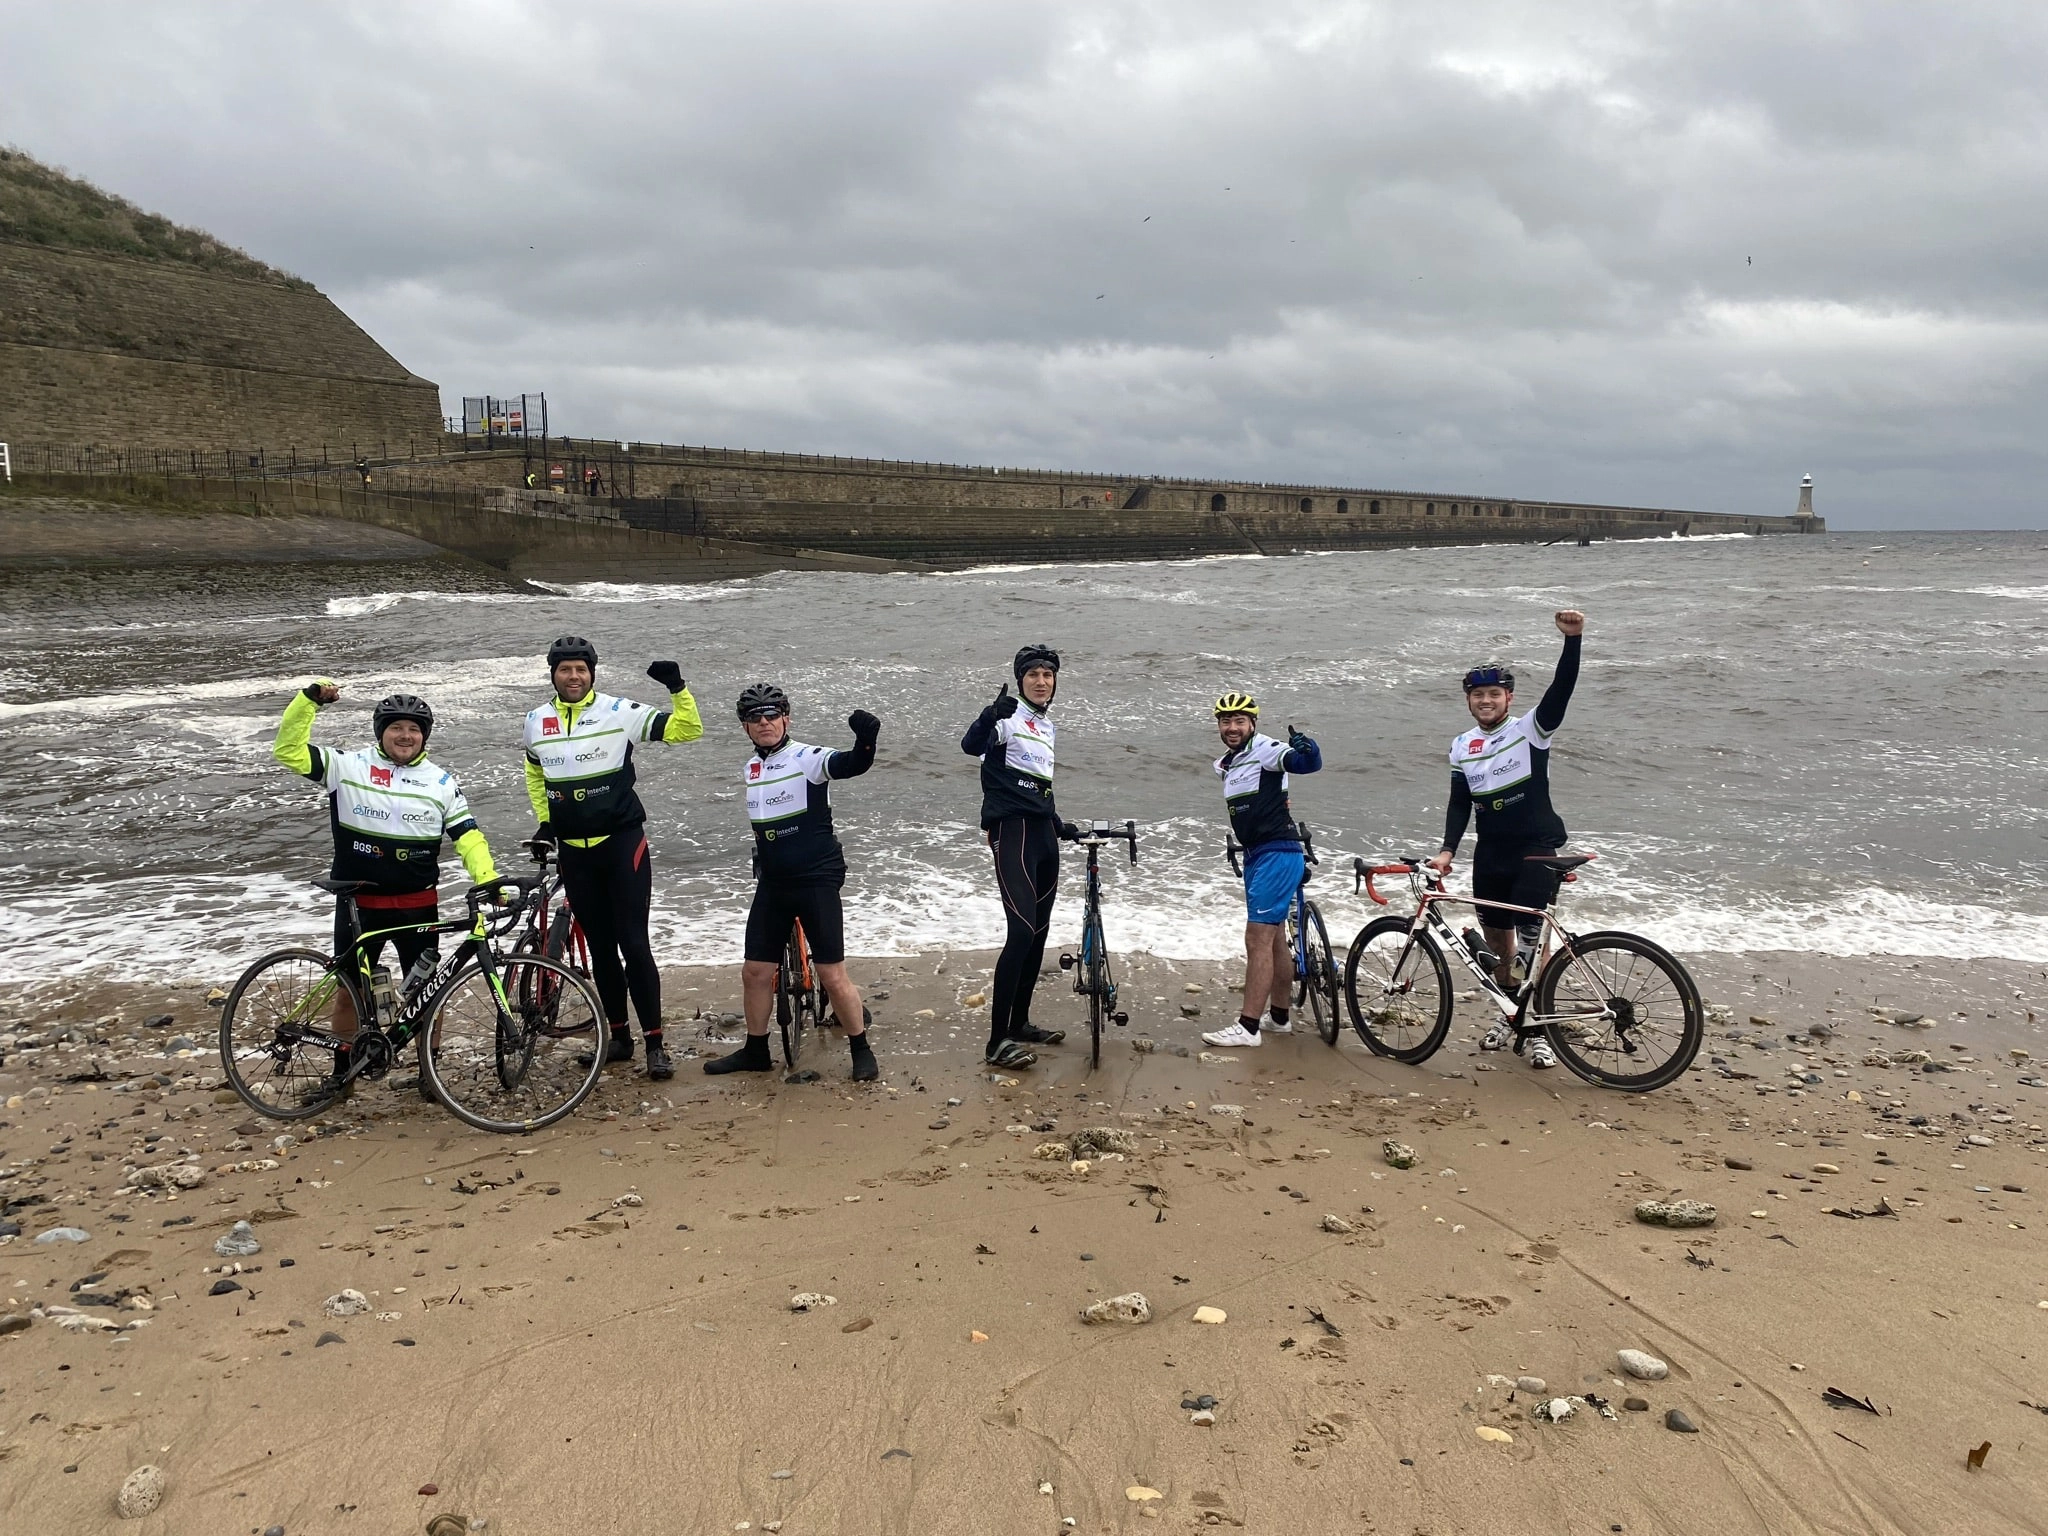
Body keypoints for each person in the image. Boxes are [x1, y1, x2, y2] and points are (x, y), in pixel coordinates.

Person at [273, 680, 499, 1093]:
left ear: (424, 736)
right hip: (360, 905)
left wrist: (489, 881)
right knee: (349, 995)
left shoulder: (441, 782)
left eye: (414, 729)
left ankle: (428, 1075)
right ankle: (342, 1075)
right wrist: (308, 702)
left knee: (428, 994)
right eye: (396, 727)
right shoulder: (347, 767)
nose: (405, 735)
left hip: (417, 905)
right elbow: (287, 750)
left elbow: (468, 836)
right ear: (381, 732)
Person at [523, 637, 702, 1081]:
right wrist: (546, 821)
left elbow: (687, 730)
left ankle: (656, 1045)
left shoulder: (620, 712)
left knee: (633, 945)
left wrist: (677, 688)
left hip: (622, 846)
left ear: (592, 673)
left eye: (581, 669)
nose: (573, 677)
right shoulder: (535, 721)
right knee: (601, 950)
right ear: (552, 674)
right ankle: (620, 1039)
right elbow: (534, 771)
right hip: (574, 853)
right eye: (565, 669)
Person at [1427, 609, 1585, 1068]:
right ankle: (1512, 1012)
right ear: (1468, 701)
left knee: (1533, 942)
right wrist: (1447, 850)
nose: (1485, 701)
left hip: (1534, 847)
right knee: (1499, 941)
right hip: (1490, 852)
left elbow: (1562, 690)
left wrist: (1572, 640)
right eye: (1477, 695)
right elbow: (1460, 803)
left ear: (1509, 697)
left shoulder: (1531, 730)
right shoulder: (1461, 745)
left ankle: (1538, 1028)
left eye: (1494, 694)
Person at [703, 684, 882, 1082]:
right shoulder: (750, 767)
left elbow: (850, 764)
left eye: (771, 715)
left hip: (815, 877)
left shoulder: (808, 758)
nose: (764, 723)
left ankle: (860, 1047)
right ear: (745, 727)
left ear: (786, 718)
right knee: (754, 971)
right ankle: (755, 1049)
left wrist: (865, 740)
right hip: (774, 881)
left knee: (832, 972)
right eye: (755, 718)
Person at [960, 644, 1080, 1069]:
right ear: (1021, 678)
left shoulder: (1046, 726)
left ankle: (1020, 1024)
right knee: (1021, 931)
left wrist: (1059, 822)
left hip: (1043, 833)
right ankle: (996, 1042)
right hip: (1012, 831)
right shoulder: (1007, 719)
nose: (1042, 681)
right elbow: (970, 745)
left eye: (1048, 674)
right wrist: (987, 715)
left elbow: (1036, 786)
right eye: (1034, 674)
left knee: (1039, 934)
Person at [1199, 693, 1322, 1048]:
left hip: (1277, 853)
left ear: (1252, 723)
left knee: (1257, 939)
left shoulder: (1266, 749)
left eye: (1239, 721)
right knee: (1274, 939)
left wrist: (1308, 748)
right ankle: (1279, 1018)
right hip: (1258, 855)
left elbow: (1305, 764)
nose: (1232, 727)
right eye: (1225, 721)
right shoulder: (1225, 763)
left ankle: (1248, 1027)